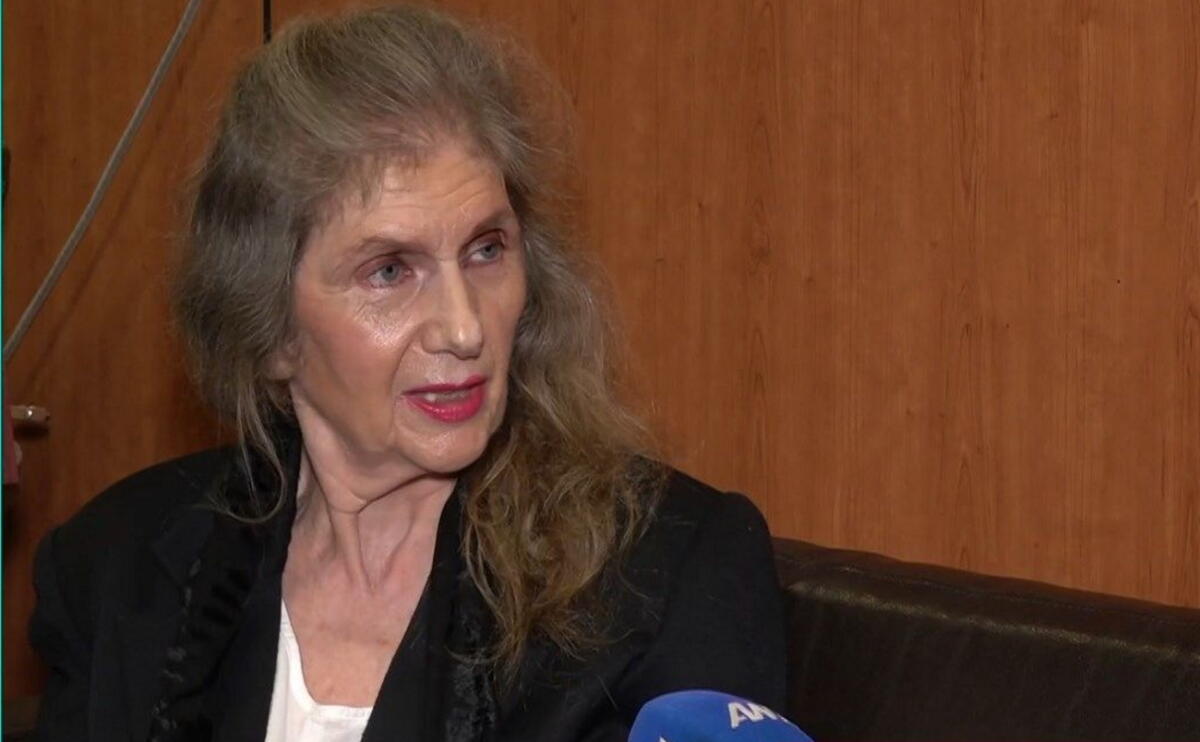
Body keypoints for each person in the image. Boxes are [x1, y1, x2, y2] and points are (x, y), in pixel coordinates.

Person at [29, 5, 786, 740]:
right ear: (269, 328)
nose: (464, 328)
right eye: (390, 270)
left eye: (487, 250)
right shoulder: (112, 571)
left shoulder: (665, 573)